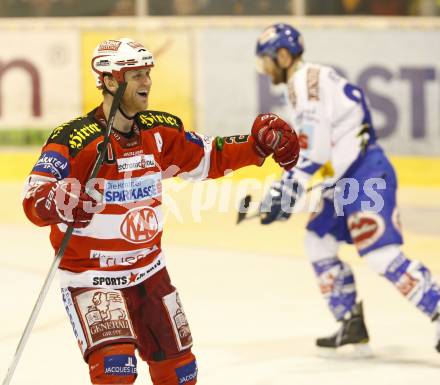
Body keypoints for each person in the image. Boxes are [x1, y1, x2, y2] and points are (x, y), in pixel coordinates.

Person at [22, 37, 299, 385]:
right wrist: (59, 201)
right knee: (115, 370)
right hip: (93, 278)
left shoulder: (160, 130)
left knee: (181, 373)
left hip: (150, 275)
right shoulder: (73, 139)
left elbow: (209, 157)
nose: (147, 83)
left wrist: (256, 146)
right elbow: (34, 196)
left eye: (147, 74)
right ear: (110, 81)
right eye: (136, 75)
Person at [255, 23, 440, 354]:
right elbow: (326, 146)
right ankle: (350, 322)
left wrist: (287, 189)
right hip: (344, 178)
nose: (266, 69)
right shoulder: (310, 78)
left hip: (365, 174)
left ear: (283, 56)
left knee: (380, 255)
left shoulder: (302, 83)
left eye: (267, 60)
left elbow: (315, 149)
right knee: (317, 241)